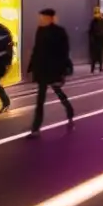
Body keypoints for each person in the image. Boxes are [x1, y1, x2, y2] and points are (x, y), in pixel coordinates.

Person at [27, 8, 75, 137]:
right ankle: (35, 128)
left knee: (59, 93)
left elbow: (64, 52)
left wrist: (62, 71)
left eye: (42, 17)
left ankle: (69, 111)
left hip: (54, 69)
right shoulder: (40, 31)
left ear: (49, 18)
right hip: (42, 69)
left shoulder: (59, 32)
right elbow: (36, 49)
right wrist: (31, 66)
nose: (40, 20)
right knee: (40, 99)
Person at [88, 8, 103, 74]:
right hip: (96, 41)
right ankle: (94, 68)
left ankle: (99, 68)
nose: (96, 15)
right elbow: (90, 32)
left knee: (99, 55)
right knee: (95, 56)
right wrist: (92, 39)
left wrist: (102, 38)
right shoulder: (94, 22)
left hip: (99, 41)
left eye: (97, 13)